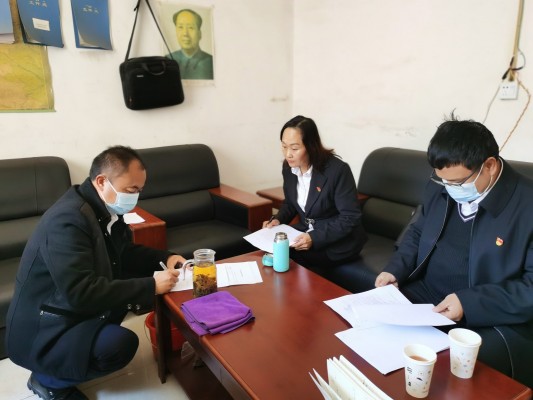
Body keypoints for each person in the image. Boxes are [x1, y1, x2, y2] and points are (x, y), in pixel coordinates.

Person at [5, 146, 185, 400]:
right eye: (131, 190)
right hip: (43, 326)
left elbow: (124, 252)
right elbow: (81, 292)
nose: (135, 198)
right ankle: (48, 381)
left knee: (122, 292)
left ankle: (64, 364)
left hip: (66, 307)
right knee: (119, 346)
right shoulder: (67, 221)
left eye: (139, 190)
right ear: (102, 181)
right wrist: (151, 285)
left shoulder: (103, 211)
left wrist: (165, 258)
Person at [375, 116, 533, 388]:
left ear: (489, 166)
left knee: (438, 380)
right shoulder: (442, 184)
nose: (450, 189)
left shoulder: (527, 204)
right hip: (426, 297)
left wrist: (468, 303)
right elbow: (417, 231)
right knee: (375, 341)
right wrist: (395, 269)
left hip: (482, 312)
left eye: (458, 183)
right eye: (443, 181)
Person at [263, 115, 367, 271]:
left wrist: (314, 237)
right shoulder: (289, 167)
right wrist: (277, 220)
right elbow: (290, 203)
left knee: (291, 260)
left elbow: (350, 217)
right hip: (306, 231)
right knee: (272, 252)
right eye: (284, 146)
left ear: (311, 146)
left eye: (294, 148)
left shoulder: (337, 171)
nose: (288, 154)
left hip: (337, 240)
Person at [167, 9, 214, 80]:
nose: (185, 33)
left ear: (199, 34)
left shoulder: (211, 62)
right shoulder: (168, 60)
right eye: (180, 27)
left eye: (190, 28)